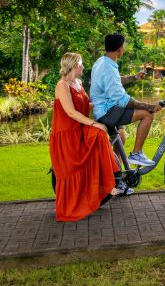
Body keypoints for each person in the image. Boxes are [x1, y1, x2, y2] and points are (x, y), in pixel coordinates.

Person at [49, 52, 120, 222]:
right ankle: (108, 184)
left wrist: (106, 104)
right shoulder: (62, 85)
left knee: (101, 137)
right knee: (100, 133)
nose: (83, 66)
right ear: (73, 65)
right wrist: (95, 124)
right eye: (80, 63)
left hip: (79, 128)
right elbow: (71, 112)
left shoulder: (78, 83)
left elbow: (82, 105)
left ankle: (107, 182)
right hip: (67, 133)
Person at [90, 33, 161, 168]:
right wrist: (149, 106)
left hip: (104, 109)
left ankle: (117, 178)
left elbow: (115, 81)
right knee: (147, 115)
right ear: (120, 49)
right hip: (107, 112)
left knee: (120, 140)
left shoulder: (102, 62)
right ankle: (136, 153)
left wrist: (134, 77)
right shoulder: (108, 68)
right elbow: (121, 99)